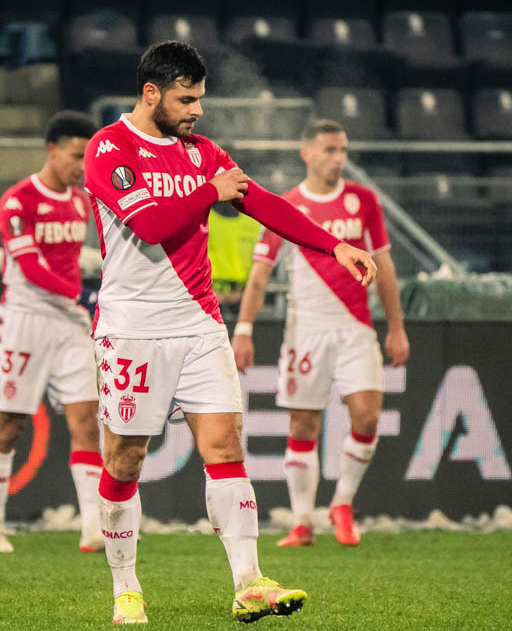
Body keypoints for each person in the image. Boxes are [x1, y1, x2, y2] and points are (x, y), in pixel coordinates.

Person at [83, 41, 378, 625]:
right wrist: (208, 192)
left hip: (198, 322)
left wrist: (335, 245)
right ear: (151, 93)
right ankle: (126, 586)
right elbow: (151, 226)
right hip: (132, 330)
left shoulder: (203, 154)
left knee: (225, 446)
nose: (197, 110)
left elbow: (263, 202)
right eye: (185, 99)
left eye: (200, 99)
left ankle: (249, 582)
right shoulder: (110, 148)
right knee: (124, 460)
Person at [232, 119, 410, 548]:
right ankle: (302, 521)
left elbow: (384, 265)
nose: (338, 159)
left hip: (355, 328)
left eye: (343, 150)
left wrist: (396, 327)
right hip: (306, 332)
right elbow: (260, 275)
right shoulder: (287, 206)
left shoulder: (363, 201)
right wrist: (244, 329)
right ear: (306, 153)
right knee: (303, 425)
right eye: (330, 150)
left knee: (367, 416)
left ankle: (342, 503)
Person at [0, 110, 105, 554]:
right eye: (75, 156)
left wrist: (82, 300)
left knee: (87, 421)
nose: (81, 166)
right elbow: (32, 268)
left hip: (69, 323)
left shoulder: (81, 201)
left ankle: (92, 526)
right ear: (52, 150)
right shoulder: (17, 201)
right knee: (9, 424)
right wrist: (84, 296)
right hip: (24, 319)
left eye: (87, 158)